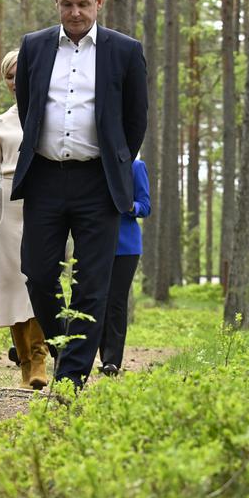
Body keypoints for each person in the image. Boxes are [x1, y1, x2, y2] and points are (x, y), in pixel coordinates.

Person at [10, 0, 148, 389]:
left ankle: (70, 378)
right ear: (57, 2)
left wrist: (114, 164)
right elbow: (28, 109)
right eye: (68, 4)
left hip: (98, 182)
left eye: (84, 5)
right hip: (46, 177)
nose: (75, 13)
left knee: (94, 281)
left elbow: (134, 120)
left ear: (99, 2)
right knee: (36, 270)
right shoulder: (33, 46)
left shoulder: (124, 51)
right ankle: (63, 347)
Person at [0, 50, 49, 390]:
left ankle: (39, 357)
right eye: (10, 75)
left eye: (20, 73)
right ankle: (25, 363)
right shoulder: (0, 123)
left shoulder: (50, 116)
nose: (15, 81)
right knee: (11, 282)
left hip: (44, 201)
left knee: (38, 277)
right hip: (7, 203)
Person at [98, 158, 151, 376]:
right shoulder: (95, 166)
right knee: (97, 299)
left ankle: (112, 361)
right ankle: (100, 355)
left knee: (116, 301)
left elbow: (145, 206)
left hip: (126, 246)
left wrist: (130, 206)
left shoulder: (135, 166)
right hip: (96, 243)